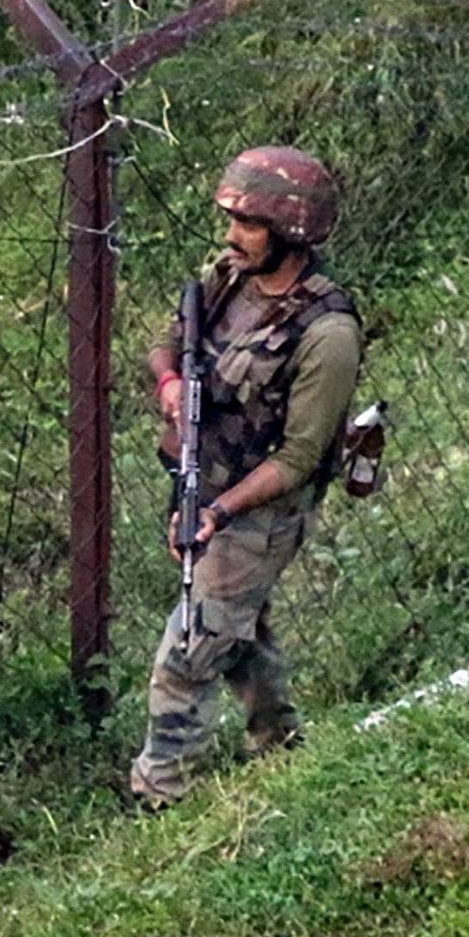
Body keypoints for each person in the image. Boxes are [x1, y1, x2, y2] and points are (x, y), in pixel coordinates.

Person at [131, 146, 363, 809]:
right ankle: (279, 740)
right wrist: (172, 382)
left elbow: (297, 459)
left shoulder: (327, 332)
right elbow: (165, 341)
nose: (232, 235)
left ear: (290, 230)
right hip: (205, 482)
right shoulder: (227, 278)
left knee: (190, 649)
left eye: (248, 222)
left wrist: (220, 512)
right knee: (238, 628)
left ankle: (159, 793)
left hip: (259, 512)